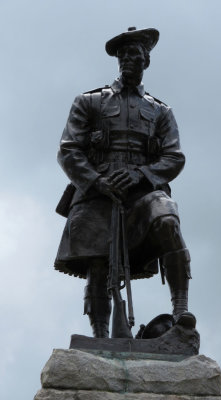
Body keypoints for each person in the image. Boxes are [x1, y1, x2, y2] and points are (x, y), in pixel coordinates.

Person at [54, 27, 195, 338]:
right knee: (99, 262)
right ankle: (102, 336)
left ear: (146, 61)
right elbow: (68, 149)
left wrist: (140, 175)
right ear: (117, 60)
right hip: (97, 193)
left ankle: (181, 313)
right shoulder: (89, 102)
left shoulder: (160, 112)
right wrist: (97, 182)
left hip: (143, 193)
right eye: (124, 55)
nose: (129, 60)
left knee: (168, 217)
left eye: (136, 55)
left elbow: (174, 157)